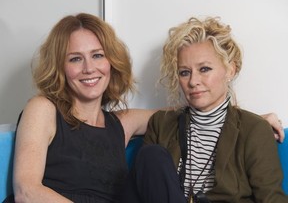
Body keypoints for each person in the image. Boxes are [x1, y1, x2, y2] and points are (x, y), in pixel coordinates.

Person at [6, 13, 284, 203]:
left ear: (111, 63)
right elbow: (26, 190)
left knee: (152, 155)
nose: (89, 68)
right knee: (152, 154)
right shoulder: (43, 108)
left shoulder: (122, 122)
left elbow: (199, 114)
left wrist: (255, 122)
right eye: (75, 59)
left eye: (97, 56)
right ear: (60, 67)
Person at [122, 17, 288, 203]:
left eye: (204, 69)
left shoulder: (254, 129)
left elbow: (272, 199)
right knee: (150, 156)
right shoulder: (162, 124)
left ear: (230, 70)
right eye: (185, 72)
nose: (193, 81)